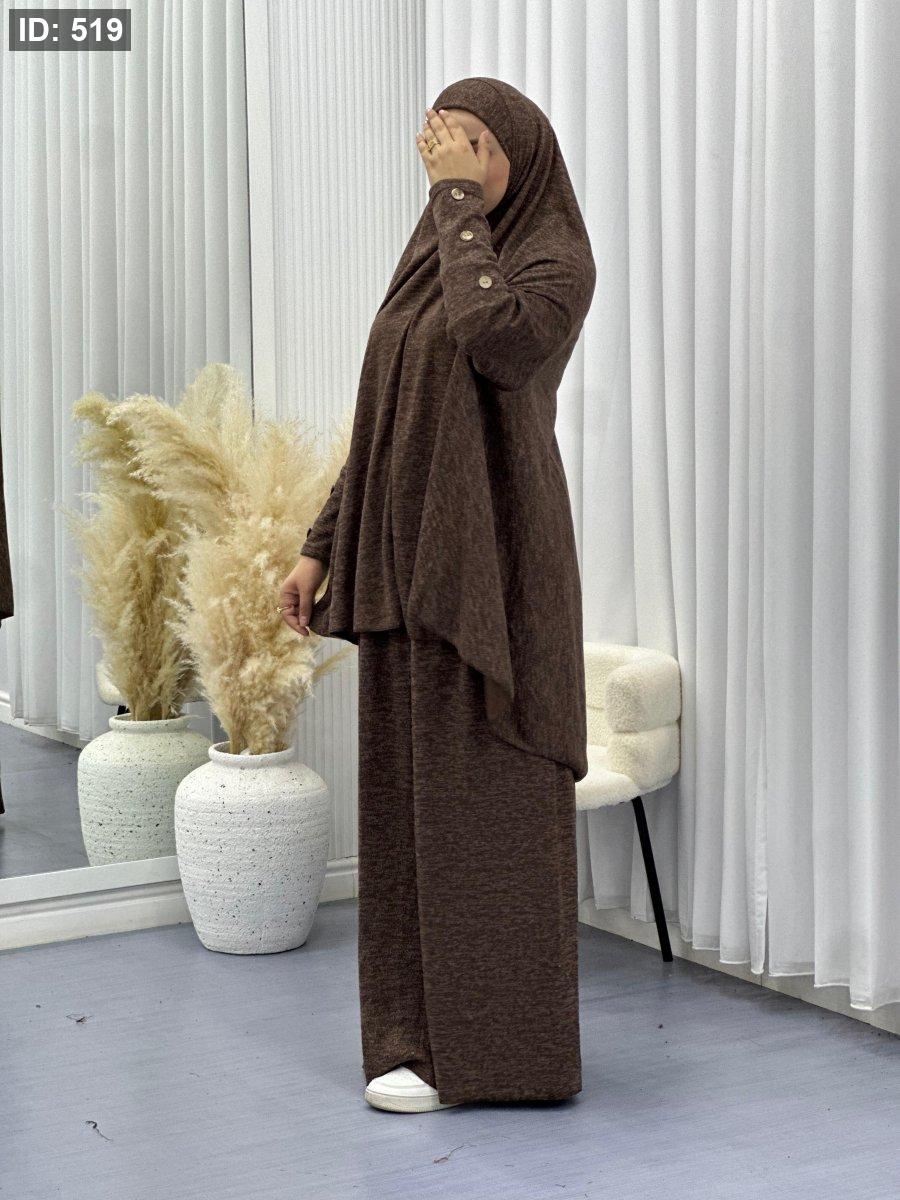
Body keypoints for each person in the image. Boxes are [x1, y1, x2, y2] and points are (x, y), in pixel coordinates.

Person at [279, 76, 596, 1112]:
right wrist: (320, 549)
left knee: (489, 818)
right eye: (441, 147)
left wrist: (456, 204)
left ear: (520, 156)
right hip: (403, 570)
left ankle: (506, 1059)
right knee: (407, 819)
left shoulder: (555, 260)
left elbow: (497, 342)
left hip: (496, 575)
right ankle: (413, 1040)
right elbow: (385, 422)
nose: (454, 166)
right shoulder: (433, 260)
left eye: (474, 148)